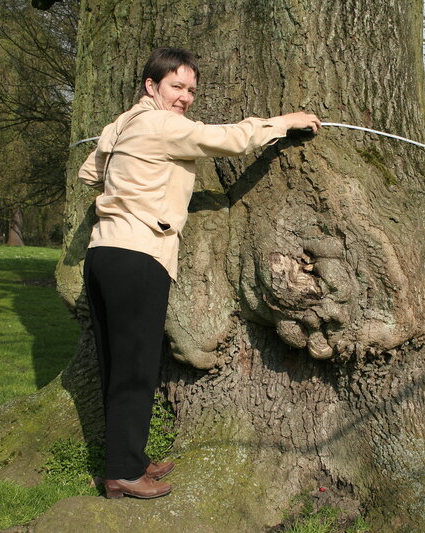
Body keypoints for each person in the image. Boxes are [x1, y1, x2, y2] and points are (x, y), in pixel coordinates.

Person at [79, 47, 320, 500]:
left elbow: (89, 172)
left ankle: (127, 460)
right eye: (177, 86)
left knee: (119, 364)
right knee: (135, 368)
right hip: (138, 254)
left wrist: (131, 178)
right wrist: (284, 123)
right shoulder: (160, 124)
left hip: (103, 253)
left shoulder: (120, 125)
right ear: (152, 86)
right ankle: (121, 475)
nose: (186, 97)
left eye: (191, 89)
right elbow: (227, 139)